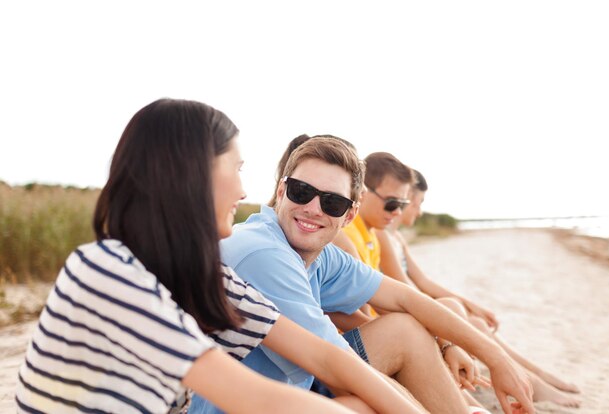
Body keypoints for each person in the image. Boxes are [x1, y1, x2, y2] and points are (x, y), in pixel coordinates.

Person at [15, 99, 420, 414]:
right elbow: (258, 399)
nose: (245, 192)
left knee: (361, 404)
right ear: (192, 173)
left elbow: (326, 357)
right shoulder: (108, 273)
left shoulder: (197, 276)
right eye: (237, 168)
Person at [198, 136, 535, 414]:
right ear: (283, 190)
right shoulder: (264, 253)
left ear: (349, 214)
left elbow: (404, 297)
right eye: (302, 191)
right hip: (240, 405)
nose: (314, 208)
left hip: (290, 389)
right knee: (364, 404)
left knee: (403, 330)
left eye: (332, 203)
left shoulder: (318, 252)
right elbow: (336, 368)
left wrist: (496, 358)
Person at [375, 168, 582, 408]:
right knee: (464, 317)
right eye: (417, 203)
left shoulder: (396, 238)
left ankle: (534, 377)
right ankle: (529, 382)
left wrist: (471, 305)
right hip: (399, 316)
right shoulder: (381, 236)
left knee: (475, 320)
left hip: (410, 307)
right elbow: (407, 291)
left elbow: (424, 283)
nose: (419, 211)